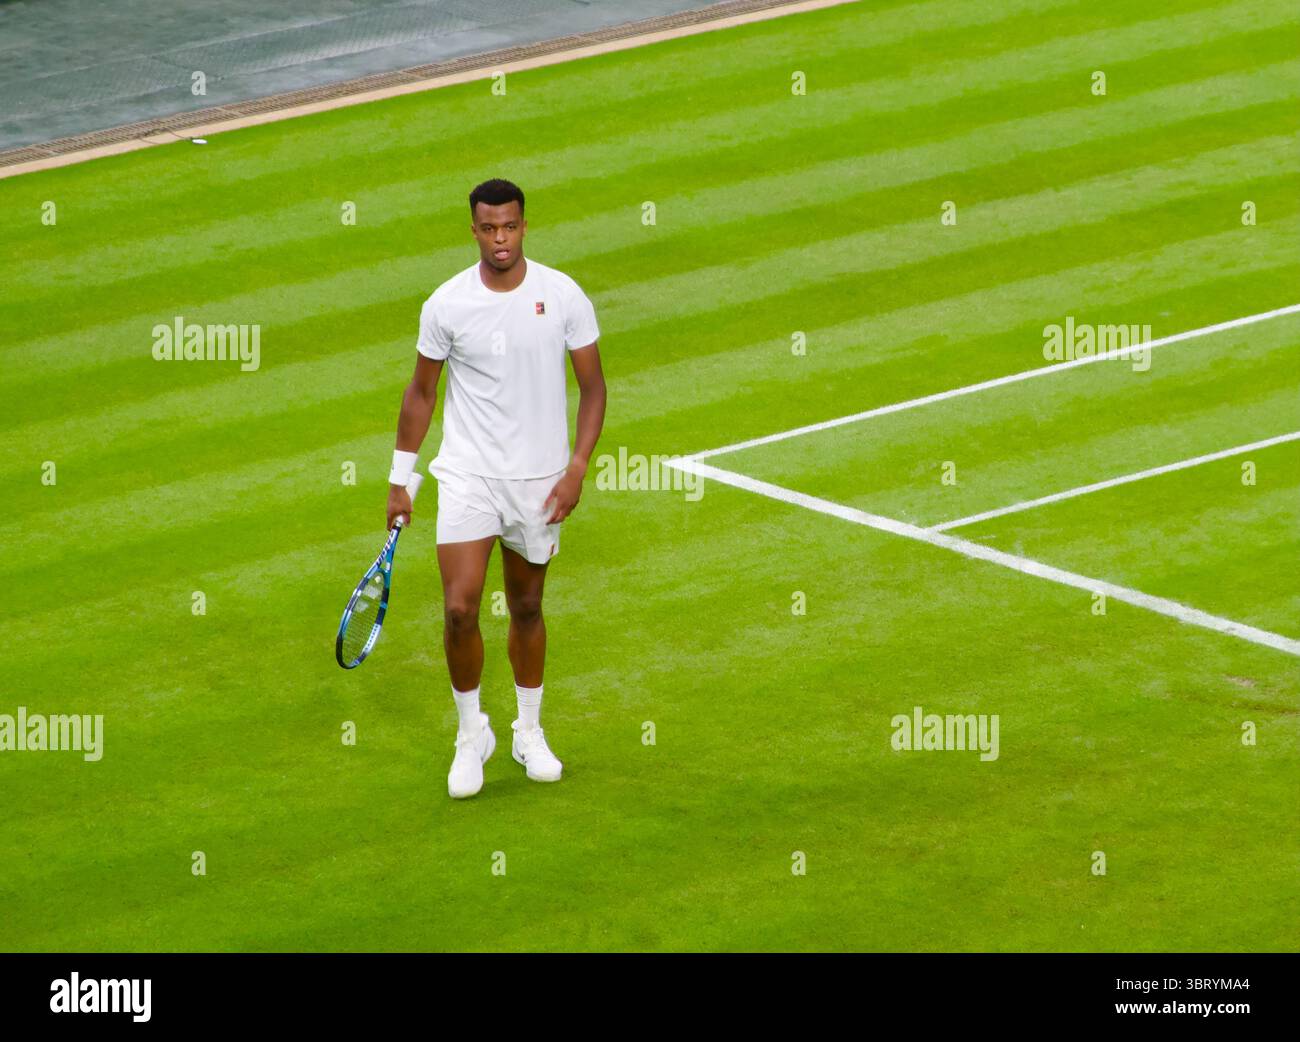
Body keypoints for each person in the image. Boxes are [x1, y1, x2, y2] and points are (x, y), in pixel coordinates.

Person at [386, 178, 607, 799]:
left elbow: (593, 388)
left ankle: (527, 731)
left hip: (540, 482)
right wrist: (400, 480)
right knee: (460, 608)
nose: (500, 239)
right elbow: (421, 394)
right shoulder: (446, 304)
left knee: (528, 606)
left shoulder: (563, 295)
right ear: (474, 230)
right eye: (489, 228)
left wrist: (577, 468)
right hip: (469, 475)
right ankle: (470, 734)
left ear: (524, 226)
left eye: (510, 226)